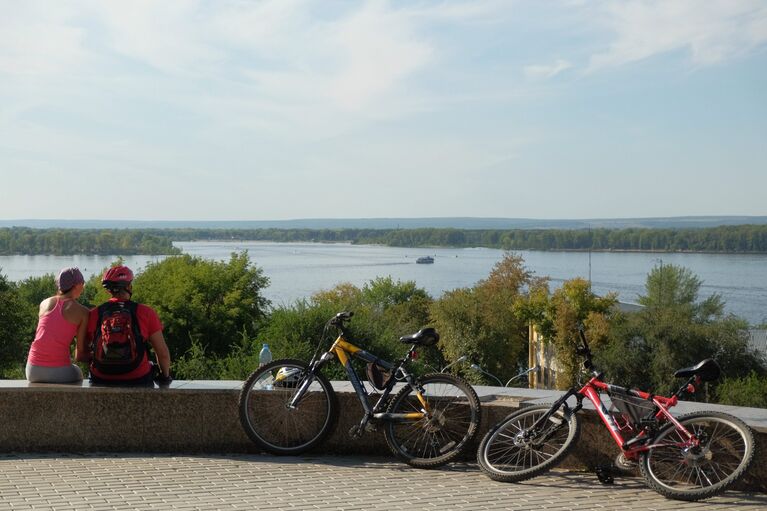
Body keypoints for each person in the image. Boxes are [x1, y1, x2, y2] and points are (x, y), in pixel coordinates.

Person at [82, 265, 172, 386]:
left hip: (101, 378)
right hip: (138, 377)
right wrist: (165, 377)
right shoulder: (146, 312)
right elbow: (163, 353)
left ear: (108, 290)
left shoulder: (94, 314)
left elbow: (84, 351)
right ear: (129, 286)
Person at [26, 267, 89, 383]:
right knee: (78, 372)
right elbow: (79, 354)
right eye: (83, 283)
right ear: (77, 285)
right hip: (59, 371)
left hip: (32, 370)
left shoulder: (44, 303)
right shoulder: (83, 312)